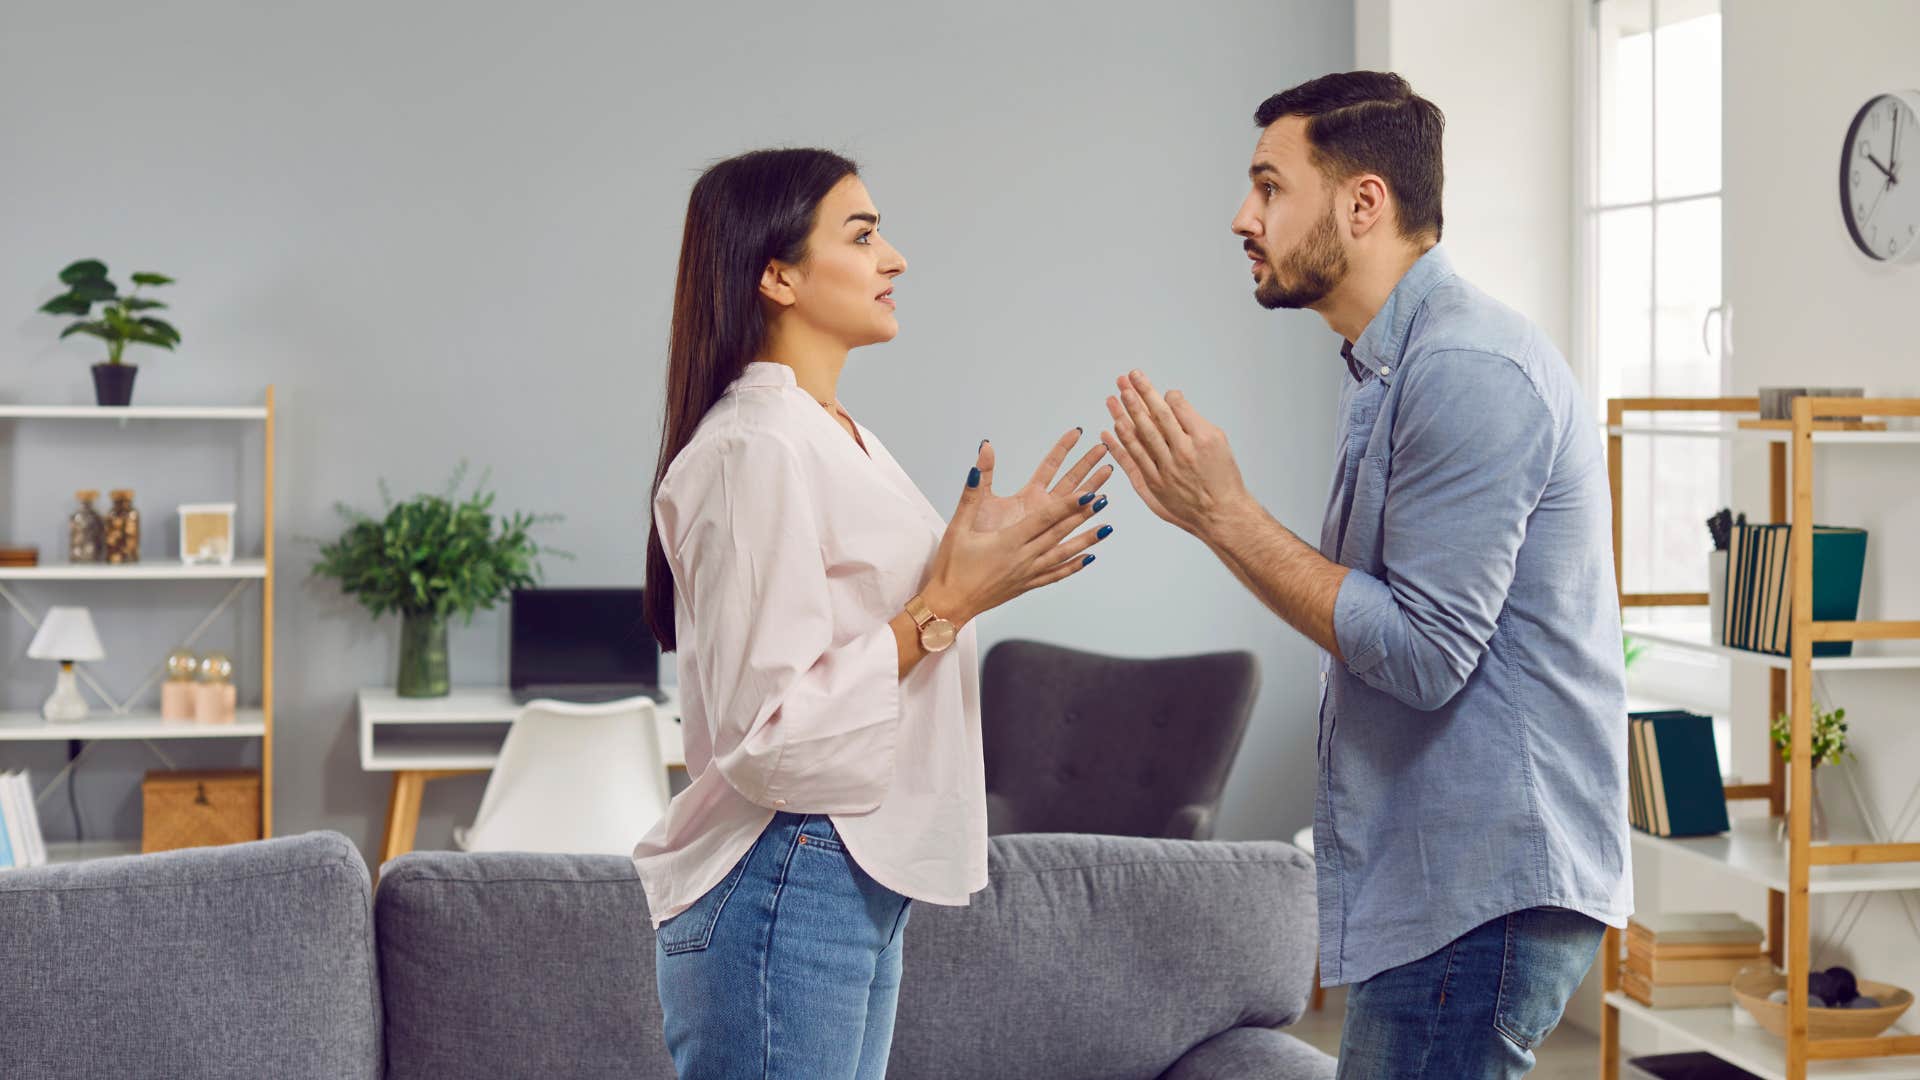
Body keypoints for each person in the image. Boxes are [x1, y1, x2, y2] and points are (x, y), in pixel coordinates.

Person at [1100, 72, 1630, 1078]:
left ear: (1362, 202)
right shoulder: (1391, 365)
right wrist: (1221, 523)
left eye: (1269, 187)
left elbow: (1426, 654)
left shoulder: (1466, 369)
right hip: (1441, 886)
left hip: (1483, 893)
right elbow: (1371, 619)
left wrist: (1226, 515)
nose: (1242, 218)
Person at [634, 147, 1116, 1080]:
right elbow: (771, 735)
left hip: (839, 870)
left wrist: (975, 567)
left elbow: (868, 634)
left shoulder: (826, 434)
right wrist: (946, 603)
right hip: (789, 865)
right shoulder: (754, 447)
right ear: (777, 275)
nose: (894, 258)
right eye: (862, 235)